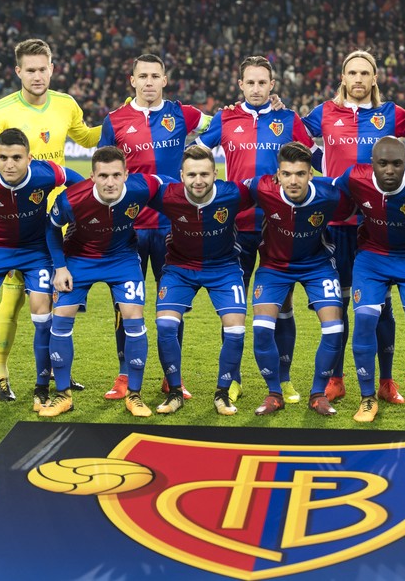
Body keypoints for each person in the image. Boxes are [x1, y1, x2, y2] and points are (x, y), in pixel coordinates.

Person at [0, 38, 101, 398]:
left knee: (60, 298)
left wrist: (120, 120)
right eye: (30, 70)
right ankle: (0, 376)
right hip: (18, 222)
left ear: (52, 68)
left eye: (43, 69)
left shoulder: (66, 104)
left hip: (59, 219)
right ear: (18, 72)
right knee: (12, 298)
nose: (38, 75)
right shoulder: (0, 112)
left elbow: (87, 137)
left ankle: (59, 371)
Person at [195, 55, 319, 405]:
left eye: (262, 82)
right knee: (233, 308)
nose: (256, 88)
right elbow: (197, 155)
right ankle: (231, 379)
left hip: (281, 227)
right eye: (250, 82)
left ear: (272, 85)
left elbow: (314, 160)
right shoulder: (226, 117)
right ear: (240, 85)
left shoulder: (288, 119)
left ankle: (284, 378)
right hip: (236, 227)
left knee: (282, 305)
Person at [302, 50, 405, 406]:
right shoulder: (324, 112)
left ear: (375, 78)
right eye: (353, 73)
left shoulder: (391, 114)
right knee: (339, 302)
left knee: (381, 306)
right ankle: (336, 379)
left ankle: (386, 381)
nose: (359, 79)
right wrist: (325, 167)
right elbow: (292, 137)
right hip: (336, 223)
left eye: (366, 73)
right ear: (343, 77)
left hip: (378, 222)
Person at [97, 53, 212, 401]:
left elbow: (223, 121)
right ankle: (123, 374)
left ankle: (170, 374)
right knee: (124, 304)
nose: (149, 81)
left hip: (172, 227)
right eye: (142, 76)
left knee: (172, 303)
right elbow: (104, 175)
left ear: (164, 80)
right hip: (128, 228)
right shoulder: (114, 120)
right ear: (132, 81)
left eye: (155, 76)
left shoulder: (184, 114)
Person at [0, 128, 83, 413]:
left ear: (29, 157)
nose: (9, 164)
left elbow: (79, 183)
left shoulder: (45, 173)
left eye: (16, 157)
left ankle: (41, 387)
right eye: (3, 157)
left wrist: (70, 214)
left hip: (37, 251)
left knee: (41, 312)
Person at [42, 146, 162, 418]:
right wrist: (60, 268)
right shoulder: (71, 199)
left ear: (126, 174)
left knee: (134, 318)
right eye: (103, 175)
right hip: (79, 258)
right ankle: (62, 394)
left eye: (116, 175)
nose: (110, 182)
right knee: (61, 318)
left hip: (122, 258)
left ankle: (134, 394)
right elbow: (50, 229)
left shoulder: (141, 187)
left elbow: (170, 192)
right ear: (92, 176)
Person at [332, 137, 405, 424]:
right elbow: (334, 196)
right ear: (372, 165)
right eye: (383, 164)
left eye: (397, 164)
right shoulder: (355, 176)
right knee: (365, 320)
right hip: (371, 258)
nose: (390, 170)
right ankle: (367, 398)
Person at [146, 145, 251, 416]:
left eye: (204, 174)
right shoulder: (167, 195)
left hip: (224, 268)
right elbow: (132, 189)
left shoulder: (233, 193)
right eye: (191, 175)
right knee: (165, 325)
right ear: (181, 175)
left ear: (216, 173)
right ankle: (175, 391)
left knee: (236, 331)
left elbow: (267, 190)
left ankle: (222, 393)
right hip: (180, 268)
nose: (198, 180)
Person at [247, 142, 348, 417]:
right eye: (287, 174)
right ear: (277, 175)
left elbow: (353, 206)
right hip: (274, 265)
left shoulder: (329, 194)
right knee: (261, 328)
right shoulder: (260, 187)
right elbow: (232, 198)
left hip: (317, 264)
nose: (294, 180)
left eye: (300, 174)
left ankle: (318, 394)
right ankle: (274, 393)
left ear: (311, 175)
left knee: (333, 329)